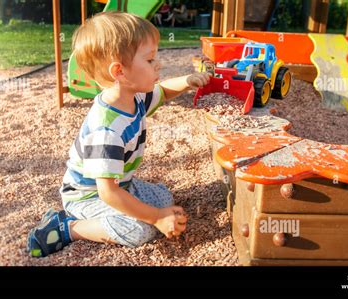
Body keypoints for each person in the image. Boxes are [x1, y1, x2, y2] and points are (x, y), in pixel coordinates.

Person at [26, 11, 212, 257]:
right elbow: (108, 192)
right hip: (89, 196)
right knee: (140, 230)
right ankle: (68, 227)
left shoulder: (133, 97)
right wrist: (156, 218)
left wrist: (188, 81)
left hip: (122, 183)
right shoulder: (106, 129)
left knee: (165, 198)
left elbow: (163, 92)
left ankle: (140, 209)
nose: (159, 65)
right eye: (149, 60)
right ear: (120, 72)